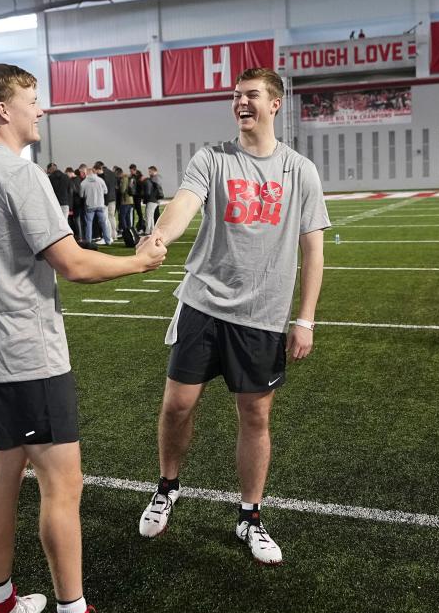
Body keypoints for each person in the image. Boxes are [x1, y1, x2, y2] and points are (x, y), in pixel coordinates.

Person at [0, 62, 165, 613]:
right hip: (26, 357)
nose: (40, 110)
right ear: (2, 112)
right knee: (63, 485)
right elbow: (73, 264)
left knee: (3, 476)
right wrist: (140, 262)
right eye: (32, 100)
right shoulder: (20, 175)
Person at [136, 67, 328, 566]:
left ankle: (250, 515)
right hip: (202, 303)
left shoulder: (299, 170)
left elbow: (314, 249)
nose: (241, 102)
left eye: (252, 96)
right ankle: (167, 487)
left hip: (262, 314)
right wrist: (161, 235)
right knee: (178, 404)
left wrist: (304, 319)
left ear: (275, 104)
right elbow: (184, 204)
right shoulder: (213, 159)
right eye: (236, 96)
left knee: (255, 414)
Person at [79, 164, 111, 246]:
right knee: (103, 223)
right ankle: (108, 240)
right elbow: (106, 191)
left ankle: (88, 241)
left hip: (89, 206)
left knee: (89, 224)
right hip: (100, 204)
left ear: (87, 173)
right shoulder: (100, 180)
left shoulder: (83, 183)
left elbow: (81, 195)